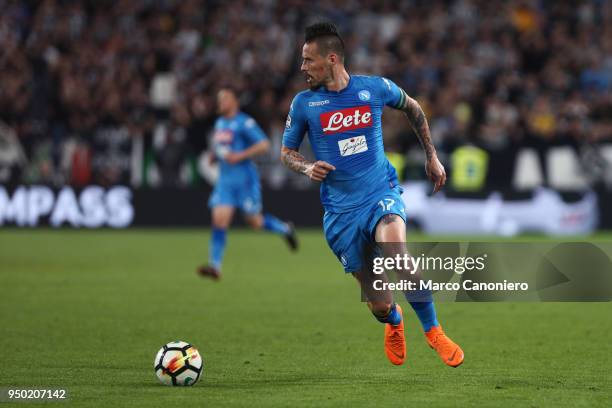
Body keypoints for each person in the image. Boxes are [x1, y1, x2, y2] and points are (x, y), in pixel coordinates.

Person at [281, 22, 463, 367]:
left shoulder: (374, 89)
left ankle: (434, 331)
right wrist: (306, 168)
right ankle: (394, 321)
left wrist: (431, 155)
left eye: (308, 60)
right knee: (379, 304)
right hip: (340, 213)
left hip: (381, 192)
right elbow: (286, 153)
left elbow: (414, 108)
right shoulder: (304, 104)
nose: (302, 67)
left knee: (398, 256)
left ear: (331, 59)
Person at [199, 88, 298, 280]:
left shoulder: (244, 122)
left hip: (245, 180)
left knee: (254, 222)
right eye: (219, 99)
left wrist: (241, 155)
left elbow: (264, 144)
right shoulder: (220, 123)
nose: (221, 102)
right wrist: (214, 154)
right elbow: (221, 146)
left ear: (235, 102)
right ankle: (215, 266)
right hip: (225, 181)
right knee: (219, 220)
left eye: (225, 99)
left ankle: (285, 228)